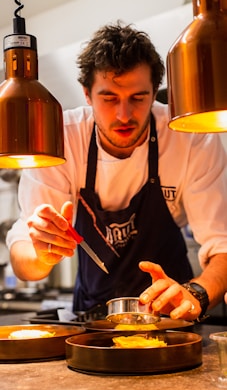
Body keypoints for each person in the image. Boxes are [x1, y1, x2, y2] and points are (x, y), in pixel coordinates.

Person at [6, 21, 227, 322]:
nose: (124, 115)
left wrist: (196, 294)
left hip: (172, 319)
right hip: (91, 323)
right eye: (109, 98)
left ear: (154, 92)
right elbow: (23, 259)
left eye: (138, 98)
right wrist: (42, 256)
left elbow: (223, 245)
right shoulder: (62, 138)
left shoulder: (189, 137)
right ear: (87, 94)